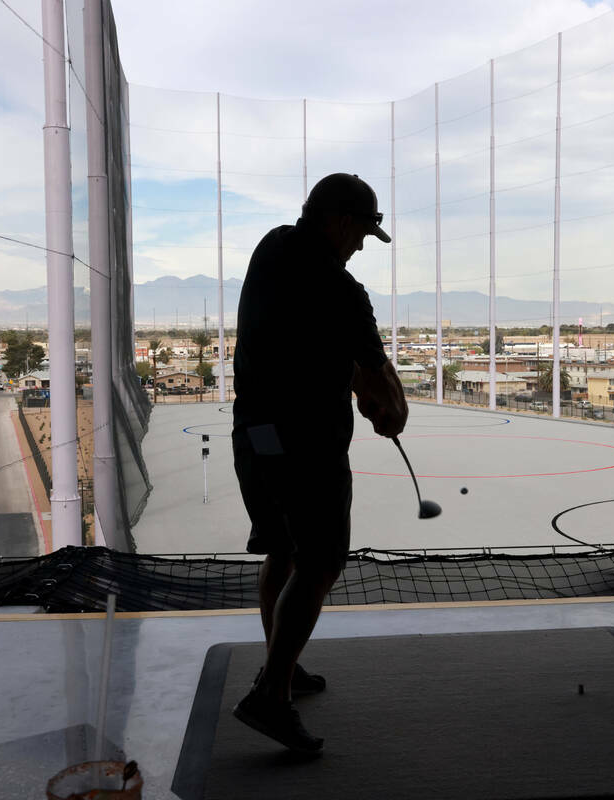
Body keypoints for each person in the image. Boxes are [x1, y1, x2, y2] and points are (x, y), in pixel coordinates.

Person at [230, 173, 408, 753]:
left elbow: (306, 344)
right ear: (339, 221)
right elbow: (382, 381)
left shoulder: (272, 248)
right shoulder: (342, 289)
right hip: (308, 446)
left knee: (284, 550)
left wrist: (354, 383)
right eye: (360, 232)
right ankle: (271, 696)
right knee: (321, 561)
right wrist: (389, 411)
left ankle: (281, 668)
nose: (360, 246)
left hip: (257, 436)